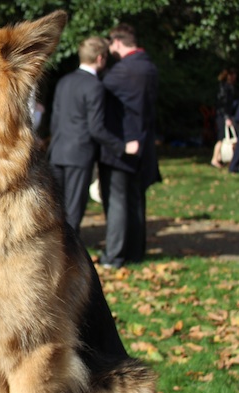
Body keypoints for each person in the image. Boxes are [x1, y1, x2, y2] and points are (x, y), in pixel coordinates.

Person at [48, 36, 139, 235]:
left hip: (57, 151)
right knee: (72, 214)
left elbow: (55, 121)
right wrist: (123, 147)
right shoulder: (95, 86)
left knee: (53, 212)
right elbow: (96, 128)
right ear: (100, 58)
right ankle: (69, 252)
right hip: (79, 155)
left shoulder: (64, 81)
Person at [98, 23, 161, 269]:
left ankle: (115, 254)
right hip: (142, 144)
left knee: (117, 202)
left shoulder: (123, 71)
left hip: (121, 145)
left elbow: (98, 88)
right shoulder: (149, 66)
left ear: (117, 42)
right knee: (136, 201)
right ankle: (136, 251)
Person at [210, 67, 237, 168]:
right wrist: (227, 118)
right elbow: (223, 105)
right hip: (223, 116)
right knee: (222, 138)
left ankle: (219, 158)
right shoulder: (226, 88)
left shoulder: (225, 87)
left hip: (223, 115)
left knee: (224, 138)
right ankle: (215, 159)